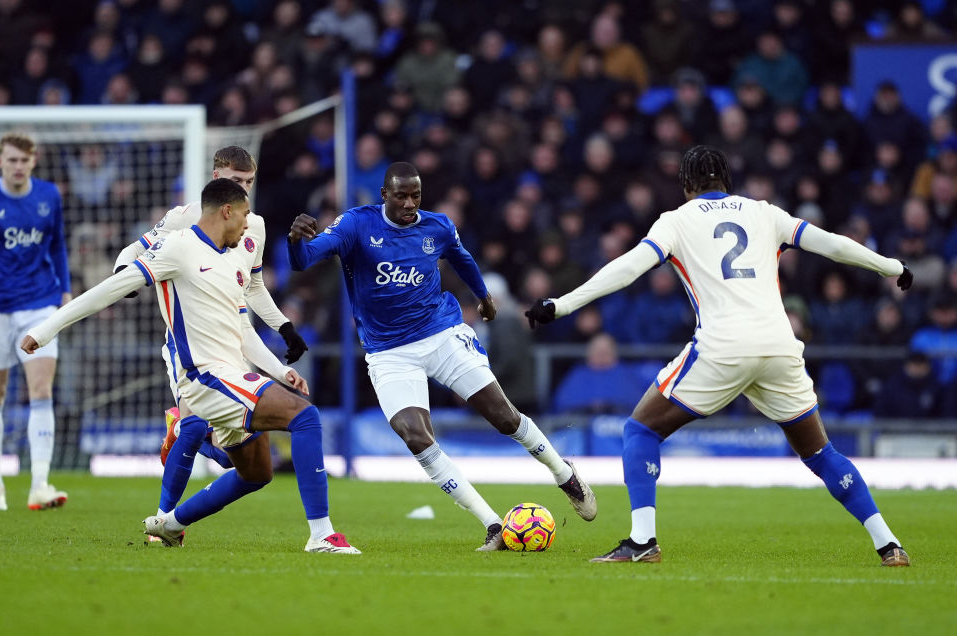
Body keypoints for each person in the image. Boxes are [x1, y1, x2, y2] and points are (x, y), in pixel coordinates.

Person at [525, 145, 914, 567]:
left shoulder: (676, 220)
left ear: (686, 184)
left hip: (723, 346)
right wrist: (890, 266)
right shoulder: (765, 213)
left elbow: (629, 267)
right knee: (821, 454)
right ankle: (889, 544)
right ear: (727, 181)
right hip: (779, 346)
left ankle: (642, 541)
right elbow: (832, 245)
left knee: (640, 430)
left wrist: (562, 304)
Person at [22, 178, 359, 553]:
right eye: (244, 215)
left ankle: (170, 524)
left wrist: (280, 371)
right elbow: (109, 290)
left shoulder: (232, 260)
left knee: (256, 472)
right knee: (305, 417)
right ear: (226, 211)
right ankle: (321, 535)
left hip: (233, 375)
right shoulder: (177, 247)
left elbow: (242, 328)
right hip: (205, 378)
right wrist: (46, 329)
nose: (248, 225)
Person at [287, 162, 596, 551]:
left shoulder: (438, 226)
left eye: (415, 195)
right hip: (388, 352)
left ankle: (564, 473)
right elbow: (304, 259)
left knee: (504, 416)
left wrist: (483, 297)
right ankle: (493, 525)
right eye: (401, 196)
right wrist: (295, 241)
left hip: (442, 334)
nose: (409, 203)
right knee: (414, 435)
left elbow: (461, 258)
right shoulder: (356, 224)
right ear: (384, 195)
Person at [111, 146, 310, 539]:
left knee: (236, 456)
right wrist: (123, 276)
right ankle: (163, 523)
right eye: (236, 181)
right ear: (216, 177)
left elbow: (253, 286)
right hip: (187, 341)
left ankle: (186, 435)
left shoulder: (254, 226)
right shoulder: (183, 218)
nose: (244, 189)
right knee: (194, 424)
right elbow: (135, 249)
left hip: (231, 341)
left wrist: (284, 327)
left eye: (249, 181)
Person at [0, 132, 71, 512]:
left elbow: (57, 245)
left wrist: (65, 292)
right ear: (0, 162)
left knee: (41, 389)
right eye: (12, 160)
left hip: (39, 304)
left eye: (24, 160)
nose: (18, 166)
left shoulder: (49, 196)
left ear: (33, 161)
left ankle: (39, 484)